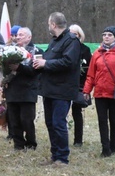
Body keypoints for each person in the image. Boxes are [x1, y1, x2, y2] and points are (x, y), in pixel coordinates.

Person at [32, 12, 80, 166]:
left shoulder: (72, 41)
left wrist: (46, 64)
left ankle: (62, 157)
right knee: (50, 123)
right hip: (49, 89)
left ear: (53, 24)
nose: (48, 27)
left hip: (62, 90)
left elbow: (68, 62)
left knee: (59, 123)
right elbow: (49, 59)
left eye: (48, 24)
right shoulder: (54, 41)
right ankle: (55, 155)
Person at [82, 26, 115, 157]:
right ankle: (105, 148)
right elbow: (90, 75)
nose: (106, 37)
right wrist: (86, 90)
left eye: (109, 35)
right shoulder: (97, 53)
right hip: (100, 93)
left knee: (113, 120)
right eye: (104, 34)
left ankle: (113, 146)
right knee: (102, 120)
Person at [3, 27, 40, 151]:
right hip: (12, 89)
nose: (18, 37)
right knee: (14, 120)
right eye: (17, 35)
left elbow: (35, 71)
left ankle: (31, 143)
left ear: (29, 37)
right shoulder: (8, 51)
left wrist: (19, 67)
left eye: (22, 35)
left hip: (27, 90)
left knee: (27, 120)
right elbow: (3, 69)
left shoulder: (36, 51)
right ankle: (18, 144)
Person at [68, 24, 92, 146]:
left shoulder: (85, 50)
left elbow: (89, 70)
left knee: (77, 113)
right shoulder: (65, 47)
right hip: (65, 84)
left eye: (75, 34)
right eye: (70, 33)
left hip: (79, 85)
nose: (73, 36)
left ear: (80, 35)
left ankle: (78, 140)